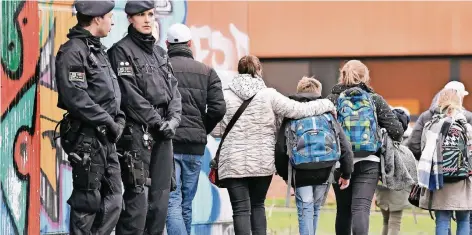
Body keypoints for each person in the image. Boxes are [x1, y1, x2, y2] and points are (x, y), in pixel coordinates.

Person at [218, 55, 336, 235]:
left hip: (232, 162)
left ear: (239, 70)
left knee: (240, 209)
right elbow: (298, 110)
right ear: (259, 71)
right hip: (261, 162)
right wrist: (326, 103)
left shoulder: (225, 96)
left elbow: (216, 130)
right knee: (257, 205)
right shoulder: (269, 95)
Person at [107, 1, 182, 234]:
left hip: (164, 134)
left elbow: (174, 92)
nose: (148, 19)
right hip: (138, 134)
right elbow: (129, 96)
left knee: (160, 205)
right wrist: (157, 122)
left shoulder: (160, 53)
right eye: (141, 15)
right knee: (137, 204)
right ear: (130, 18)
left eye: (150, 14)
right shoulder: (120, 51)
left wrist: (173, 121)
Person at [55, 1, 123, 234]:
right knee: (87, 202)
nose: (113, 21)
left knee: (114, 200)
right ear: (97, 19)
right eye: (110, 16)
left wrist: (119, 118)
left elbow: (111, 92)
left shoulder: (98, 49)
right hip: (87, 138)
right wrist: (108, 121)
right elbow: (75, 97)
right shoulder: (73, 51)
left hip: (106, 137)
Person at [326, 60, 404, 235]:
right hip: (369, 162)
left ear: (342, 75)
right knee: (361, 209)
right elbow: (396, 131)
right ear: (365, 76)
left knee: (343, 210)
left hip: (339, 162)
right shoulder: (374, 99)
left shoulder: (332, 99)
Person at [164, 23, 226, 235]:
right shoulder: (207, 72)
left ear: (166, 44)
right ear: (190, 44)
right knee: (186, 202)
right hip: (195, 147)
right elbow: (219, 108)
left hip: (168, 142)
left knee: (172, 200)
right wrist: (202, 128)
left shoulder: (162, 69)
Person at [274, 76, 354, 235]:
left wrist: (285, 176)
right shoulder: (328, 114)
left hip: (300, 170)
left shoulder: (292, 113)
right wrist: (347, 172)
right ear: (318, 92)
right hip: (325, 168)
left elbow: (280, 148)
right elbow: (344, 145)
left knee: (305, 210)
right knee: (315, 209)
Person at [407, 83, 472, 235]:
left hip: (438, 178)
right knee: (464, 219)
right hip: (462, 180)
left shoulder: (430, 124)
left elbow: (419, 147)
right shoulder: (466, 125)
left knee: (442, 219)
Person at [375, 107, 411, 235]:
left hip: (381, 188)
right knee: (395, 221)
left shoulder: (380, 144)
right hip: (398, 190)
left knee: (385, 220)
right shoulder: (404, 148)